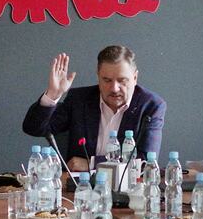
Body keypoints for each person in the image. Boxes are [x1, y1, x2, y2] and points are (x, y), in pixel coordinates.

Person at [22, 46, 166, 171]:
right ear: (98, 77)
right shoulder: (79, 99)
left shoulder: (151, 106)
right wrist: (53, 94)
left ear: (135, 78)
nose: (114, 88)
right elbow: (34, 128)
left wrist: (92, 163)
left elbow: (146, 160)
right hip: (80, 185)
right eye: (107, 80)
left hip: (128, 185)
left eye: (122, 81)